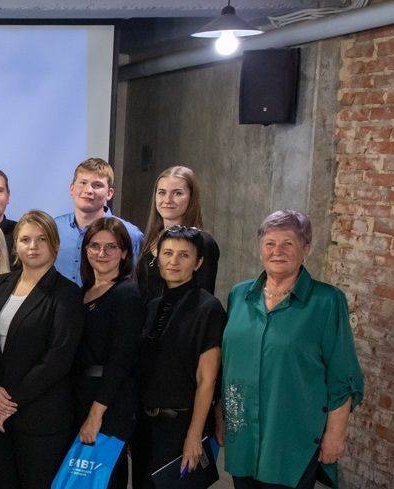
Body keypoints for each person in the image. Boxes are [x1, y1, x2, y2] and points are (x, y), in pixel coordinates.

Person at [221, 211, 364, 489]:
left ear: (306, 249)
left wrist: (335, 435)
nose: (277, 251)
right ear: (260, 249)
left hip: (292, 436)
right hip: (242, 430)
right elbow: (227, 363)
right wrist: (221, 415)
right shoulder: (240, 295)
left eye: (288, 243)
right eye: (270, 243)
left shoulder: (327, 302)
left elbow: (342, 375)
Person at [0, 210, 82, 489]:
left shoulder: (67, 294)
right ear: (15, 245)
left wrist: (9, 402)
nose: (33, 246)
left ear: (55, 244)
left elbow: (58, 359)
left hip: (41, 419)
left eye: (42, 239)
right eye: (25, 239)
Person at [132, 226, 225, 489]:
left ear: (198, 262)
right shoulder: (152, 306)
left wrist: (194, 435)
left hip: (180, 426)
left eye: (184, 255)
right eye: (167, 253)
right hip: (145, 426)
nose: (174, 261)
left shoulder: (208, 308)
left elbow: (207, 380)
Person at [73, 218, 145, 489]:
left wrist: (96, 414)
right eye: (94, 246)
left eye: (111, 247)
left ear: (124, 252)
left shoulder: (127, 295)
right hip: (80, 395)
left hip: (109, 403)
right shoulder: (83, 292)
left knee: (105, 480)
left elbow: (121, 360)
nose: (101, 253)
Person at [54, 158, 144, 287]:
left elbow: (137, 282)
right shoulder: (53, 228)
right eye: (83, 183)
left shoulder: (131, 234)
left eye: (97, 185)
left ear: (109, 193)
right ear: (71, 188)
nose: (88, 190)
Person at [135, 166, 221, 298]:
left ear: (191, 198)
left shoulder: (203, 242)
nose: (167, 200)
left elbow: (202, 298)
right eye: (162, 192)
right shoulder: (151, 239)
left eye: (177, 193)